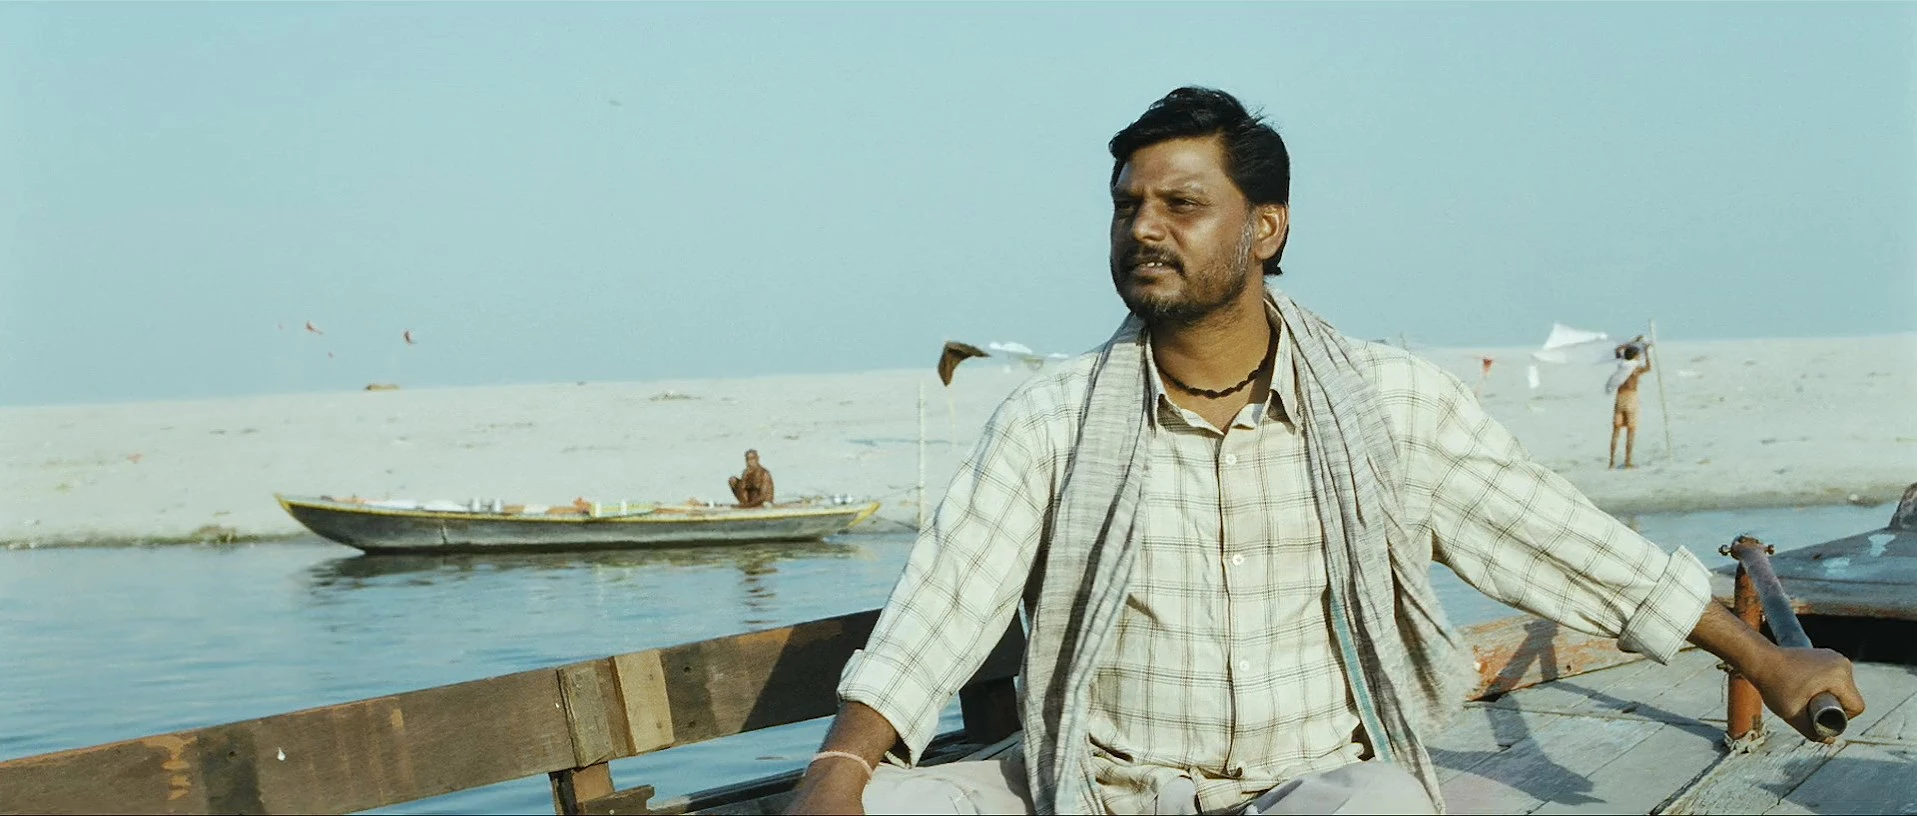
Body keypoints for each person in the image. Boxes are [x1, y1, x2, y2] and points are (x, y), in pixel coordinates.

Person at [785, 87, 1861, 816]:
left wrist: (1764, 659)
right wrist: (839, 767)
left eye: (1181, 204)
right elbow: (942, 609)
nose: (1143, 228)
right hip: (1093, 786)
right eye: (1126, 206)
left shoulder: (1382, 401)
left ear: (1266, 229)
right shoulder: (1053, 418)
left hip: (1308, 786)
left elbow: (1559, 543)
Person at [1607, 336, 1653, 469]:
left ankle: (1612, 461)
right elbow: (1649, 367)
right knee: (1631, 430)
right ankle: (1628, 460)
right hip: (1631, 398)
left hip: (1620, 397)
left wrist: (1632, 342)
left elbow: (1618, 349)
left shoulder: (1621, 365)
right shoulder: (1635, 369)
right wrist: (1646, 351)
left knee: (1616, 430)